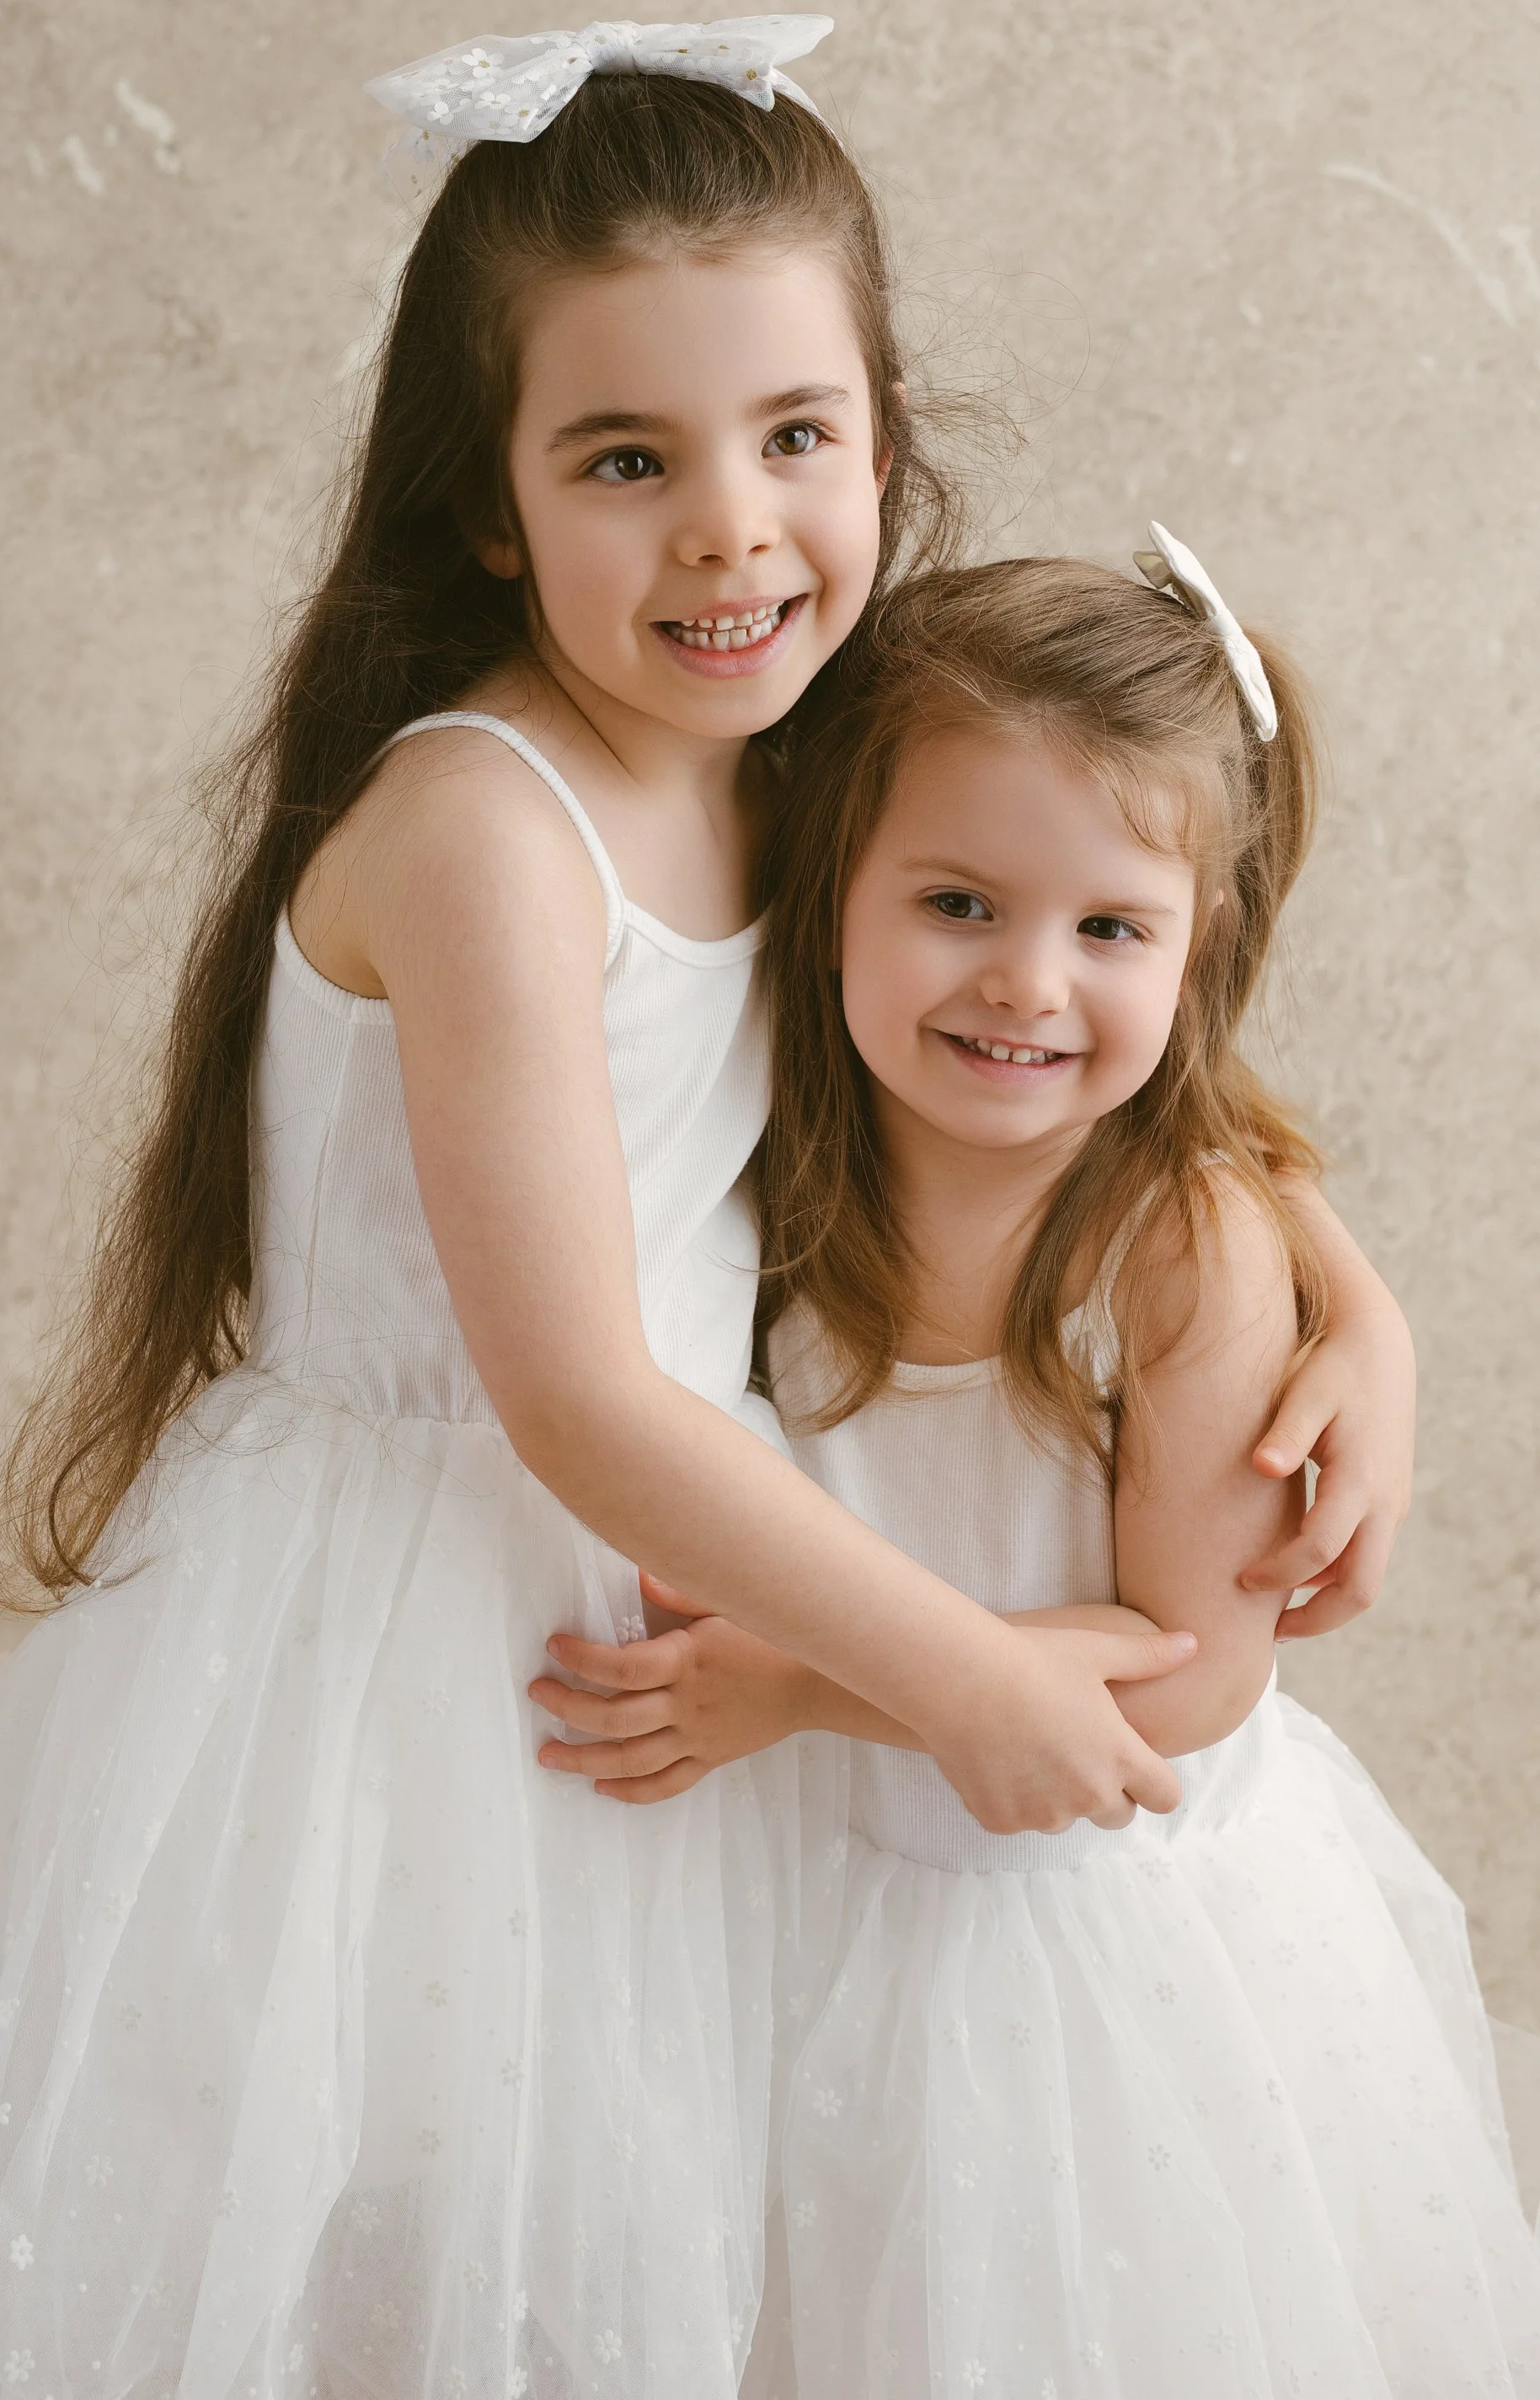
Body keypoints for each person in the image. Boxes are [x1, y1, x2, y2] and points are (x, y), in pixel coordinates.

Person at [0, 12, 1412, 2400]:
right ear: (489, 502)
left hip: (703, 1612)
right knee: (404, 2265)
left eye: (797, 437)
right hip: (424, 1654)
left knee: (679, 2268)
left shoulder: (815, 757)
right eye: (624, 457)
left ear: (888, 441)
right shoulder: (492, 822)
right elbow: (572, 1387)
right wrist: (960, 1671)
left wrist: (1350, 1302)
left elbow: (1092, 1045)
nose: (728, 527)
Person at [537, 535, 1537, 2394]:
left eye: (1106, 931)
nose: (1024, 985)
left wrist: (795, 1687)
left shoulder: (1176, 1254)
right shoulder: (769, 1152)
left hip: (1093, 1950)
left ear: (1196, 948)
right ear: (834, 885)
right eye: (957, 903)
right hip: (802, 1908)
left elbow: (1191, 1677)